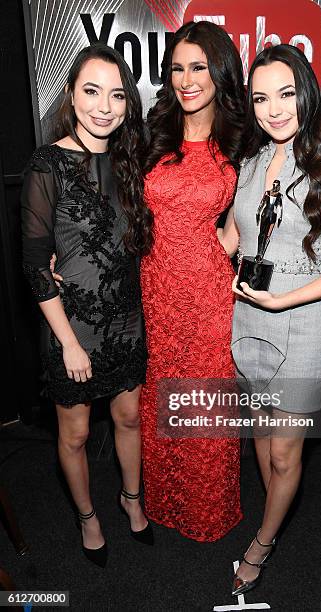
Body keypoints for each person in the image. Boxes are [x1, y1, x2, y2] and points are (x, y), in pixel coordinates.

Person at [218, 44, 321, 594]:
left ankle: (262, 542)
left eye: (285, 94)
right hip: (248, 323)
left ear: (305, 94)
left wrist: (286, 298)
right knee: (260, 436)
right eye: (261, 98)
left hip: (302, 328)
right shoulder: (251, 165)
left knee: (286, 449)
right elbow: (232, 241)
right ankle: (272, 510)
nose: (274, 109)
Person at [21, 43, 154, 567]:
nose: (104, 106)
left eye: (117, 94)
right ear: (72, 97)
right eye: (91, 91)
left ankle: (131, 499)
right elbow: (35, 266)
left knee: (128, 419)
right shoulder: (46, 164)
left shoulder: (129, 160)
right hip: (70, 327)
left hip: (125, 321)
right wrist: (71, 345)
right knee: (74, 435)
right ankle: (86, 516)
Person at [140, 21, 246, 542]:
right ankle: (163, 502)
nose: (186, 79)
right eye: (177, 67)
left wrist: (215, 260)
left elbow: (245, 221)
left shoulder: (240, 142)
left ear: (220, 72)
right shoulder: (153, 132)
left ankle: (205, 513)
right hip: (156, 289)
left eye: (198, 67)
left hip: (208, 294)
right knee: (163, 395)